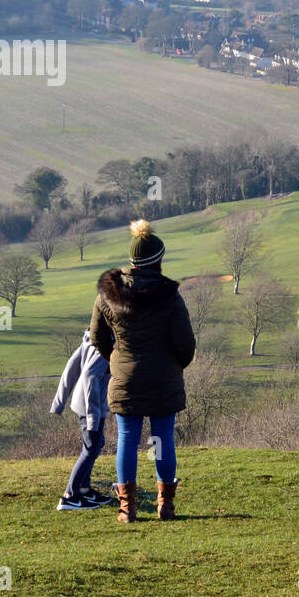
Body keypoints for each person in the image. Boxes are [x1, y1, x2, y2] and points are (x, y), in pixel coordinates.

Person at [90, 219, 196, 522]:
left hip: (126, 380)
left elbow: (97, 337)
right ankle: (166, 505)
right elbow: (186, 344)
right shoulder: (171, 298)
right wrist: (174, 367)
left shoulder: (108, 295)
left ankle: (128, 508)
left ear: (132, 261)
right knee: (162, 438)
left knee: (127, 438)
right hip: (164, 378)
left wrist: (117, 362)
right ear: (158, 260)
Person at [50, 328, 113, 511]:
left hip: (86, 404)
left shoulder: (91, 339)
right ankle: (70, 495)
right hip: (91, 407)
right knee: (91, 448)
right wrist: (93, 417)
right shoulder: (105, 348)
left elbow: (71, 367)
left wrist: (59, 402)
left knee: (96, 444)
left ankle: (84, 490)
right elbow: (89, 376)